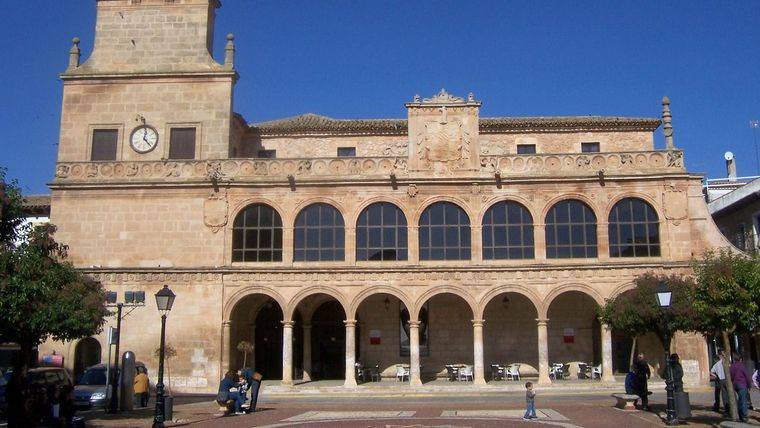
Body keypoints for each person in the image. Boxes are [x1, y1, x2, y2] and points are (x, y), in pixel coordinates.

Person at [730, 352, 751, 423]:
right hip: (742, 384)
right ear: (741, 359)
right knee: (743, 400)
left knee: (740, 400)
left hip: (735, 384)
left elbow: (731, 376)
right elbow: (747, 376)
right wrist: (749, 385)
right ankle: (744, 416)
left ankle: (740, 414)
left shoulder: (732, 366)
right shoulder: (742, 366)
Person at [710, 350, 729, 415]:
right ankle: (729, 408)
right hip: (727, 379)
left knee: (724, 395)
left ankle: (726, 409)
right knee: (728, 394)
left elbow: (711, 372)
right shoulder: (727, 362)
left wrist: (716, 376)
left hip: (720, 380)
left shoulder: (717, 364)